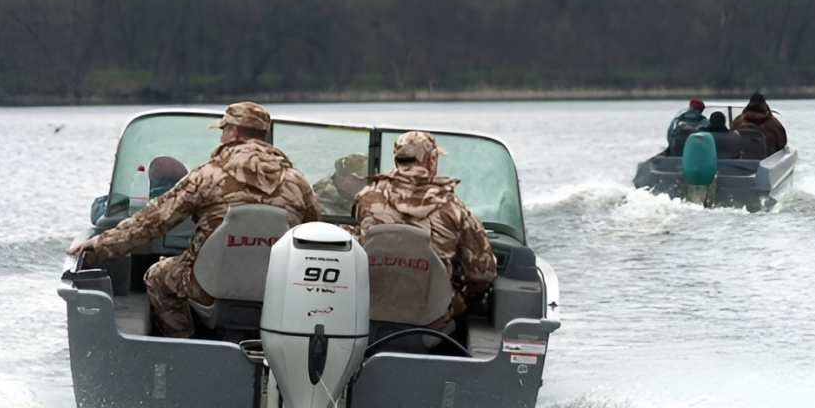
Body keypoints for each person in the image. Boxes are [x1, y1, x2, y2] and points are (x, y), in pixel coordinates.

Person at [67, 102, 320, 338]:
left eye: (223, 130)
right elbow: (314, 234)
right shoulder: (298, 182)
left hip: (207, 286)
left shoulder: (209, 175)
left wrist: (98, 247)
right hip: (277, 290)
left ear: (233, 132)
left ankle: (187, 348)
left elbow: (151, 222)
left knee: (156, 277)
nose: (221, 137)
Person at [352, 131, 496, 324]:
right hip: (430, 319)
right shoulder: (453, 208)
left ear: (397, 162)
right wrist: (462, 291)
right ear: (431, 161)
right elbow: (481, 274)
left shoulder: (366, 199)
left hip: (369, 310)